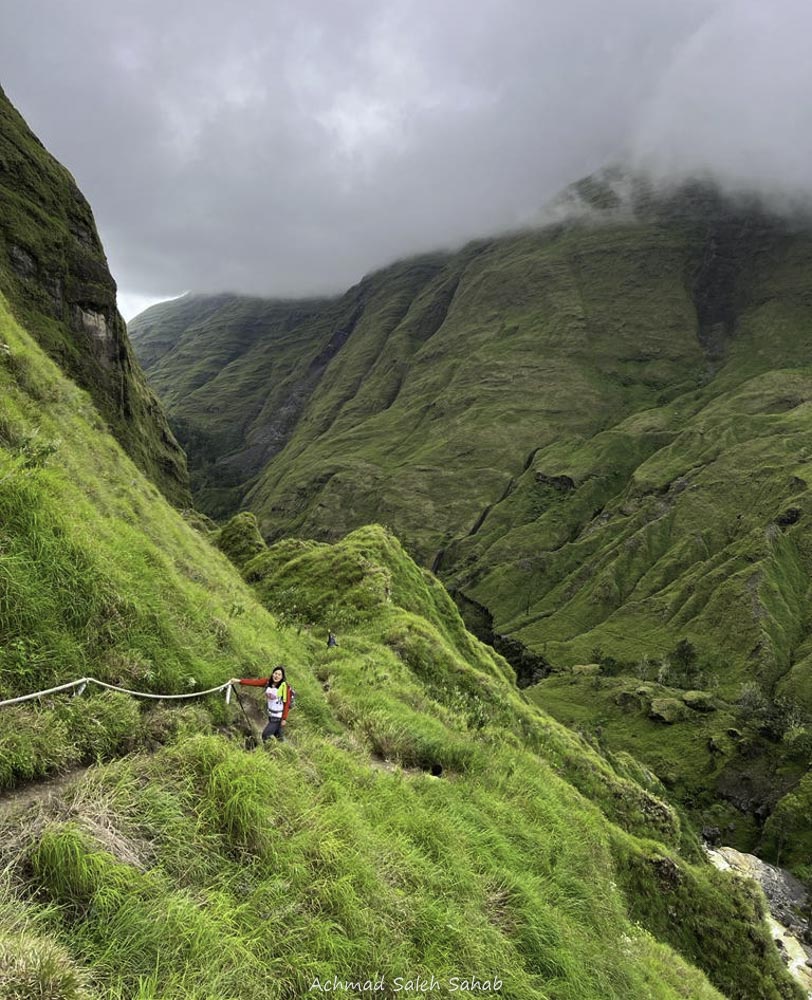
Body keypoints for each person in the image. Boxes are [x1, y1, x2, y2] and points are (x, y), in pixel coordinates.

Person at [231, 665, 291, 741]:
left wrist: (284, 719)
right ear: (272, 674)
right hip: (271, 715)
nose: (276, 676)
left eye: (279, 675)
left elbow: (287, 704)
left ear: (282, 677)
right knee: (279, 736)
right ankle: (286, 750)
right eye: (275, 673)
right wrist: (239, 681)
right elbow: (254, 682)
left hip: (278, 718)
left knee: (265, 735)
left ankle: (269, 749)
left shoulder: (285, 687)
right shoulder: (268, 682)